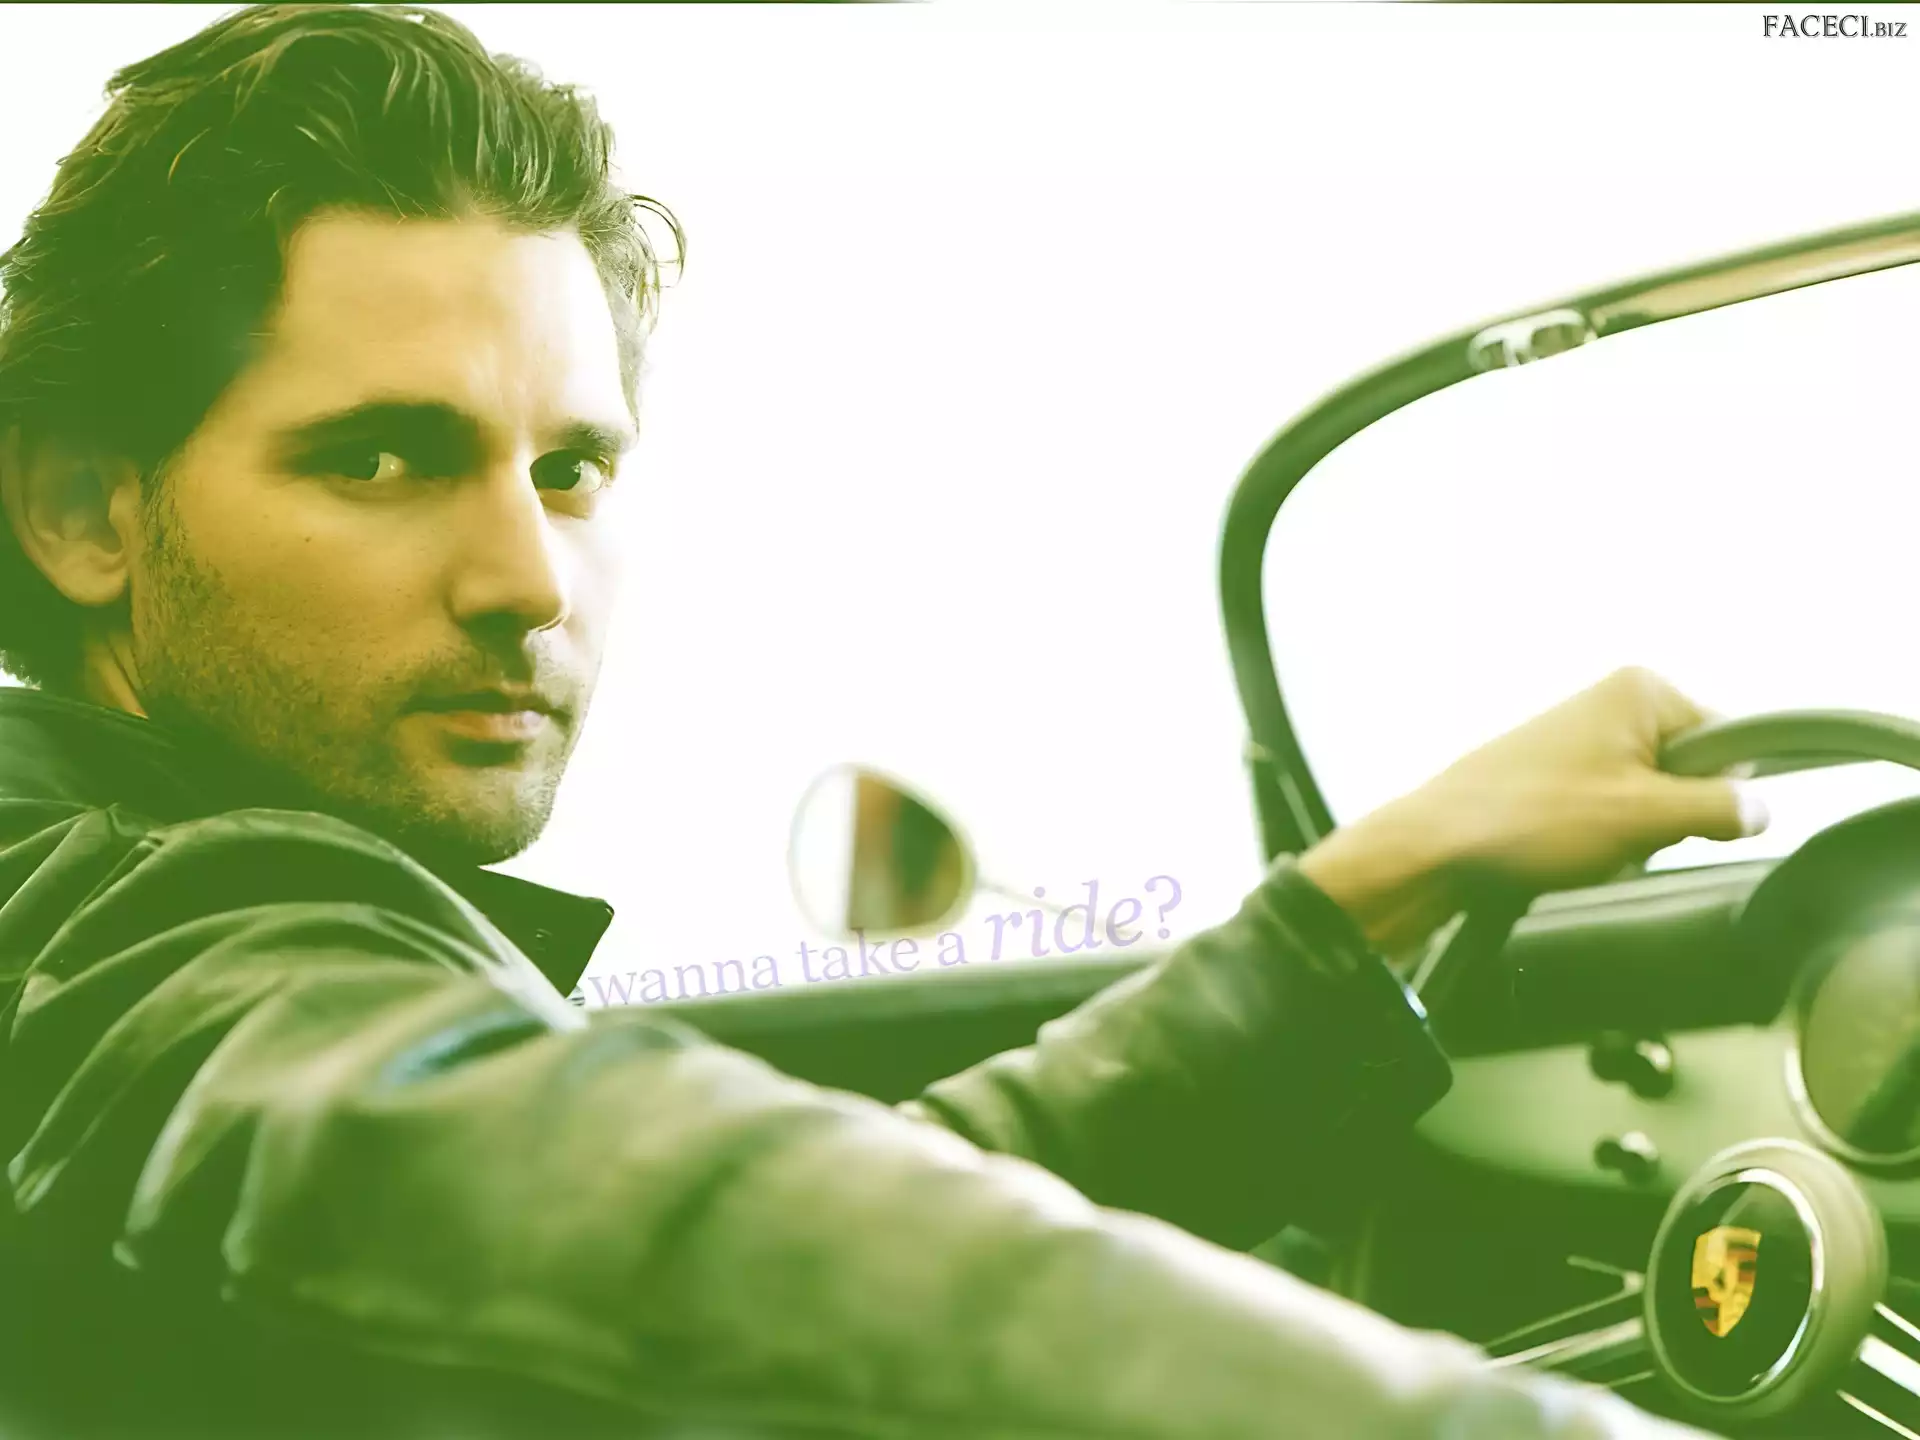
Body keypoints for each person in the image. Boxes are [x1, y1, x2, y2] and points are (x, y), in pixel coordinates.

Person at [0, 6, 1766, 1437]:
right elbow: (659, 1224)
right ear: (83, 511)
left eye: (572, 468)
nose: (528, 579)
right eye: (382, 458)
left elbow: (800, 1232)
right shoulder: (119, 942)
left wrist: (1370, 888)